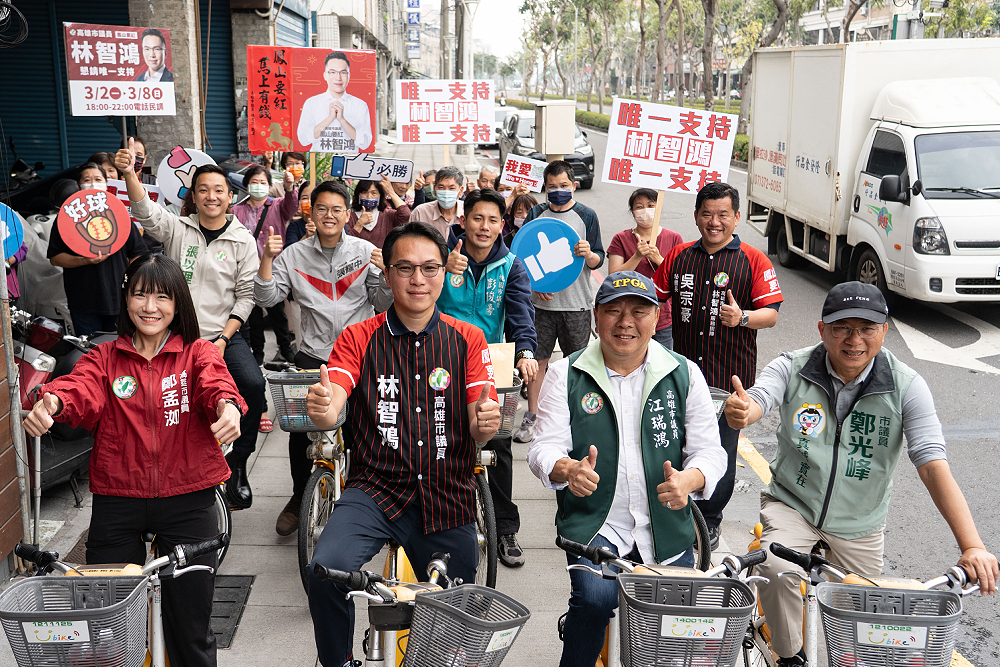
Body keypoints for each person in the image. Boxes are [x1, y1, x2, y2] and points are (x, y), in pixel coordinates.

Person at [724, 281, 999, 667]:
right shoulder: (793, 365)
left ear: (884, 331)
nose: (854, 340)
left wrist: (971, 546)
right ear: (822, 330)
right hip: (793, 504)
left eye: (867, 328)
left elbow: (933, 465)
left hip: (860, 525)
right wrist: (745, 410)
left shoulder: (906, 387)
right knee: (775, 567)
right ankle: (789, 656)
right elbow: (760, 397)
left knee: (864, 623)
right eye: (842, 328)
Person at [23, 254, 245, 667]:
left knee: (191, 632)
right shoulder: (105, 358)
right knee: (107, 632)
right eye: (140, 294)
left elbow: (217, 385)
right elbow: (78, 389)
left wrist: (228, 408)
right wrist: (50, 399)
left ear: (178, 304)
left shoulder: (197, 353)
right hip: (117, 503)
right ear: (125, 300)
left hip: (189, 502)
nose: (150, 306)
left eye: (162, 296)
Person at [304, 221, 502, 666]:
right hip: (374, 491)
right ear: (388, 274)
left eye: (430, 268)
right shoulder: (359, 336)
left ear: (444, 274)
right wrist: (325, 409)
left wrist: (486, 424)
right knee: (324, 571)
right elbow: (334, 396)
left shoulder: (467, 338)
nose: (418, 279)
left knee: (456, 612)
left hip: (446, 495)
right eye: (406, 268)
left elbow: (479, 419)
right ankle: (336, 661)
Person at [527, 271, 727, 667]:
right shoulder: (566, 373)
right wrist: (566, 469)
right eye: (613, 311)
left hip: (666, 533)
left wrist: (690, 479)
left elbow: (710, 452)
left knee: (670, 632)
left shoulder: (683, 373)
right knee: (595, 601)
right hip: (595, 528)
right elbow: (542, 447)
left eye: (639, 311)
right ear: (596, 318)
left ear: (656, 319)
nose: (625, 322)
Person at [115, 139, 265, 512]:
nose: (211, 197)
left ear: (231, 197)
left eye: (219, 191)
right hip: (174, 336)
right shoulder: (178, 228)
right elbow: (145, 211)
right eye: (204, 190)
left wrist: (223, 340)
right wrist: (130, 173)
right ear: (193, 196)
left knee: (252, 385)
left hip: (223, 335)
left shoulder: (243, 240)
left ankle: (238, 463)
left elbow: (247, 296)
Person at [254, 180, 392, 535]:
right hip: (312, 356)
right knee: (302, 433)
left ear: (347, 214)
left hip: (362, 357)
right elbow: (268, 298)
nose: (329, 215)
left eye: (336, 209)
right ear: (310, 213)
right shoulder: (293, 255)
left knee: (365, 430)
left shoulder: (365, 251)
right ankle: (302, 496)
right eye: (321, 209)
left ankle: (365, 500)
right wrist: (267, 260)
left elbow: (382, 305)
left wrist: (386, 276)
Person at [652, 181, 782, 550]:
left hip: (729, 383)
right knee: (674, 445)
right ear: (696, 216)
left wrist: (742, 318)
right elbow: (653, 297)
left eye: (723, 214)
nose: (715, 222)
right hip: (682, 379)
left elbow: (770, 315)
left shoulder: (754, 260)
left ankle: (710, 521)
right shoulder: (679, 257)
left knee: (721, 452)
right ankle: (674, 512)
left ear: (736, 217)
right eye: (707, 214)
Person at [439, 188, 537, 567]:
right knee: (438, 439)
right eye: (478, 218)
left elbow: (520, 317)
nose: (485, 226)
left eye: (493, 220)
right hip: (440, 361)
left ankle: (505, 530)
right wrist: (443, 270)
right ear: (463, 220)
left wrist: (526, 353)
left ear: (502, 225)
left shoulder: (511, 264)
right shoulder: (443, 257)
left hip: (489, 363)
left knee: (498, 443)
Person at [512, 160, 604, 445]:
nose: (558, 191)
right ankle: (533, 418)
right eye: (552, 187)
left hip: (576, 305)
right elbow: (520, 257)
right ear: (545, 187)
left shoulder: (587, 215)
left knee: (576, 363)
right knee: (536, 364)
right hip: (540, 307)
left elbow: (598, 259)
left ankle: (576, 419)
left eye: (564, 186)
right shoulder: (537, 214)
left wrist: (588, 254)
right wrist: (534, 286)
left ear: (574, 186)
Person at [47, 163, 149, 336]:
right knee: (91, 353)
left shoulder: (119, 214)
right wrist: (83, 260)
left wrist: (130, 282)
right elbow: (55, 257)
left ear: (107, 184)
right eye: (87, 180)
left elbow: (139, 253)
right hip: (83, 302)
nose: (93, 184)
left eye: (98, 179)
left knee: (122, 351)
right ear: (79, 185)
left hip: (120, 300)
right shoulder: (65, 218)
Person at [232, 165, 299, 366]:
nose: (258, 186)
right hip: (246, 269)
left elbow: (292, 205)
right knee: (253, 315)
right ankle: (258, 352)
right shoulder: (236, 210)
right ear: (246, 185)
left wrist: (289, 187)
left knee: (277, 311)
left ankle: (286, 348)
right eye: (254, 182)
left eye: (263, 183)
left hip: (273, 267)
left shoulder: (277, 206)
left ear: (269, 186)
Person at [608, 188, 684, 349]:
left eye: (651, 205)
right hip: (628, 316)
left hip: (663, 317)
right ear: (633, 211)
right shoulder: (621, 239)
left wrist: (659, 260)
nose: (645, 211)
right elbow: (612, 277)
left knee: (663, 365)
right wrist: (637, 256)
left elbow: (680, 278)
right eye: (639, 206)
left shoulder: (674, 238)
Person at [296, 51, 372, 152]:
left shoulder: (360, 105)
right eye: (332, 72)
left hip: (349, 163)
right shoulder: (312, 103)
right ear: (325, 76)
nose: (338, 78)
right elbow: (303, 139)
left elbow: (365, 142)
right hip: (319, 164)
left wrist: (342, 120)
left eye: (343, 72)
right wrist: (329, 119)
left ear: (349, 76)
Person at [345, 174, 411, 248]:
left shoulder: (388, 215)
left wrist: (391, 192)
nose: (369, 197)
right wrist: (359, 224)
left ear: (380, 195)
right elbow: (345, 243)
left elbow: (405, 214)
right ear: (358, 195)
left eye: (374, 193)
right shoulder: (349, 217)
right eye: (364, 192)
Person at [409, 165, 464, 238]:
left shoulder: (468, 212)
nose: (446, 192)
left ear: (461, 191)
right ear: (434, 189)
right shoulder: (420, 213)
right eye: (441, 187)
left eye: (452, 188)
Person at [284, 182, 315, 247]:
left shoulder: (330, 223)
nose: (309, 201)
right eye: (305, 198)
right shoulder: (294, 227)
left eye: (313, 198)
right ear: (299, 202)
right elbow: (289, 253)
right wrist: (306, 236)